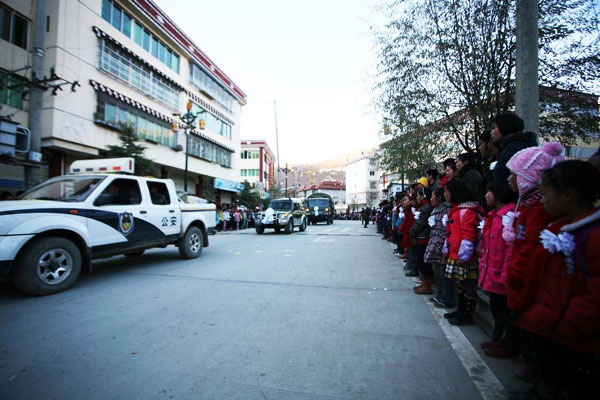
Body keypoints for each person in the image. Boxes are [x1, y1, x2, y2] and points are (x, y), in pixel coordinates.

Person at [515, 160, 600, 399]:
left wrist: (571, 323)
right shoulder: (560, 227)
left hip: (572, 330)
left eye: (545, 194)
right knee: (550, 370)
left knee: (569, 379)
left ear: (568, 195)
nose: (541, 200)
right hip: (552, 320)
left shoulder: (592, 235)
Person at [487, 142, 564, 366]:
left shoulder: (537, 209)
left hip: (527, 278)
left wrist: (514, 274)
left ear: (527, 177)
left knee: (526, 327)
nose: (509, 179)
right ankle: (510, 347)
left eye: (514, 174)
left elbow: (529, 247)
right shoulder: (526, 206)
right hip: (516, 275)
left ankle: (532, 368)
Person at [478, 179, 518, 353]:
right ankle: (497, 339)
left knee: (504, 311)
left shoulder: (509, 217)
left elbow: (510, 249)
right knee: (497, 309)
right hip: (491, 270)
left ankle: (506, 344)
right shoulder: (494, 215)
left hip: (501, 274)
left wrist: (504, 275)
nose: (486, 195)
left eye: (489, 192)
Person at [442, 179, 484, 326]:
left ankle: (466, 315)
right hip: (455, 253)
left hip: (464, 257)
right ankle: (460, 311)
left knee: (468, 286)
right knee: (461, 284)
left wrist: (464, 255)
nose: (445, 194)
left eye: (447, 191)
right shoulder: (456, 210)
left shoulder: (466, 211)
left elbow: (469, 236)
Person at [490, 112, 536, 193]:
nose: (491, 132)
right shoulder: (508, 147)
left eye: (493, 128)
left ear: (504, 127)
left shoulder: (514, 147)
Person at [425, 187, 453, 308]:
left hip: (443, 246)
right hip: (436, 243)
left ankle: (446, 299)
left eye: (433, 196)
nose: (431, 199)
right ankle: (440, 296)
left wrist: (441, 245)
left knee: (445, 274)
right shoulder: (436, 209)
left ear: (439, 197)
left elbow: (444, 230)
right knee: (440, 272)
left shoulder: (446, 210)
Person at [410, 187, 434, 294]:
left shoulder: (426, 208)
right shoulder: (423, 207)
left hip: (424, 238)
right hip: (421, 238)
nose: (417, 198)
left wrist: (412, 232)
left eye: (419, 195)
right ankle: (424, 283)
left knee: (424, 263)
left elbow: (420, 223)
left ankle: (426, 285)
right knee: (421, 262)